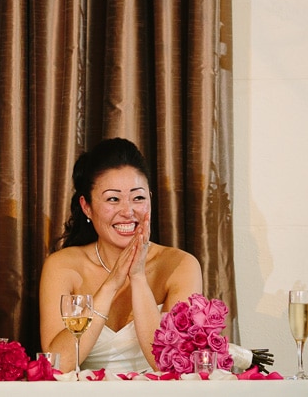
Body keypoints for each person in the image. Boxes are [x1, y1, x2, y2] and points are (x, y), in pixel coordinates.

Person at [39, 138, 202, 373]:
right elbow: (58, 366)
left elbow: (170, 367)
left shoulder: (181, 265)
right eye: (113, 199)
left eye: (138, 198)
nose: (128, 211)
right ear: (86, 207)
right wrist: (110, 285)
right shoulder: (62, 266)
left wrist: (138, 277)